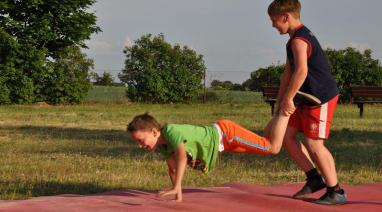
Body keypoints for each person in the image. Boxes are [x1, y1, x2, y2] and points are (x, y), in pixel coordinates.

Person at [267, 0, 346, 205]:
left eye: (274, 20)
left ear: (286, 17)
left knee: (314, 143)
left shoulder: (299, 40)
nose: (273, 25)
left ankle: (336, 191)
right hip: (305, 98)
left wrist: (289, 98)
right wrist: (281, 101)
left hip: (320, 98)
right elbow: (288, 73)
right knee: (286, 136)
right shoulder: (292, 40)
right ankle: (314, 179)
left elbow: (302, 71)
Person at [127, 113, 284, 202]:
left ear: (154, 132)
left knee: (272, 148)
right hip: (223, 143)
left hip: (227, 134)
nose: (140, 145)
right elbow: (172, 168)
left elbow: (181, 156)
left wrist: (176, 187)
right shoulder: (162, 146)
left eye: (141, 140)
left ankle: (287, 110)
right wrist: (178, 194)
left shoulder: (170, 131)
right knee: (265, 144)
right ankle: (280, 113)